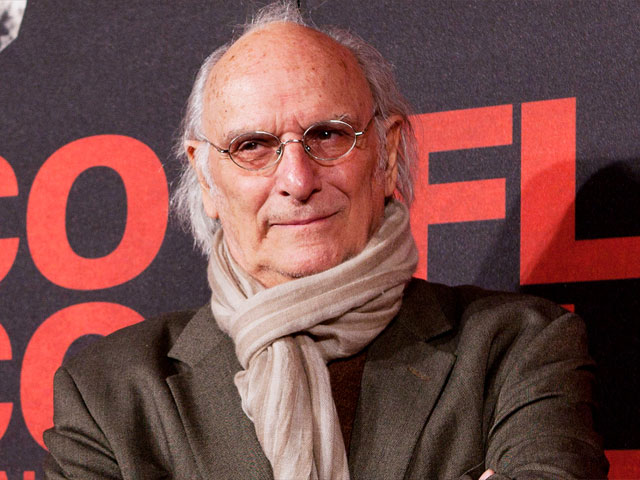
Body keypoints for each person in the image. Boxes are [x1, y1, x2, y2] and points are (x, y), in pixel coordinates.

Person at [43, 3, 608, 479]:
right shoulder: (107, 395)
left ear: (387, 154)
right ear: (207, 178)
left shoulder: (518, 350)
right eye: (253, 146)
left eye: (329, 135)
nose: (297, 179)